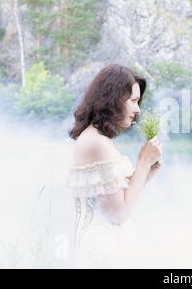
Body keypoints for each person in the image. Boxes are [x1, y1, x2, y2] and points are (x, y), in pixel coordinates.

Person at [66, 64, 162, 268]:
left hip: (102, 244)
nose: (137, 110)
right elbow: (117, 215)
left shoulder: (97, 138)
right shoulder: (98, 143)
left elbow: (114, 198)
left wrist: (146, 173)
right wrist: (143, 161)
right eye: (134, 101)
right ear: (114, 99)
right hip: (103, 250)